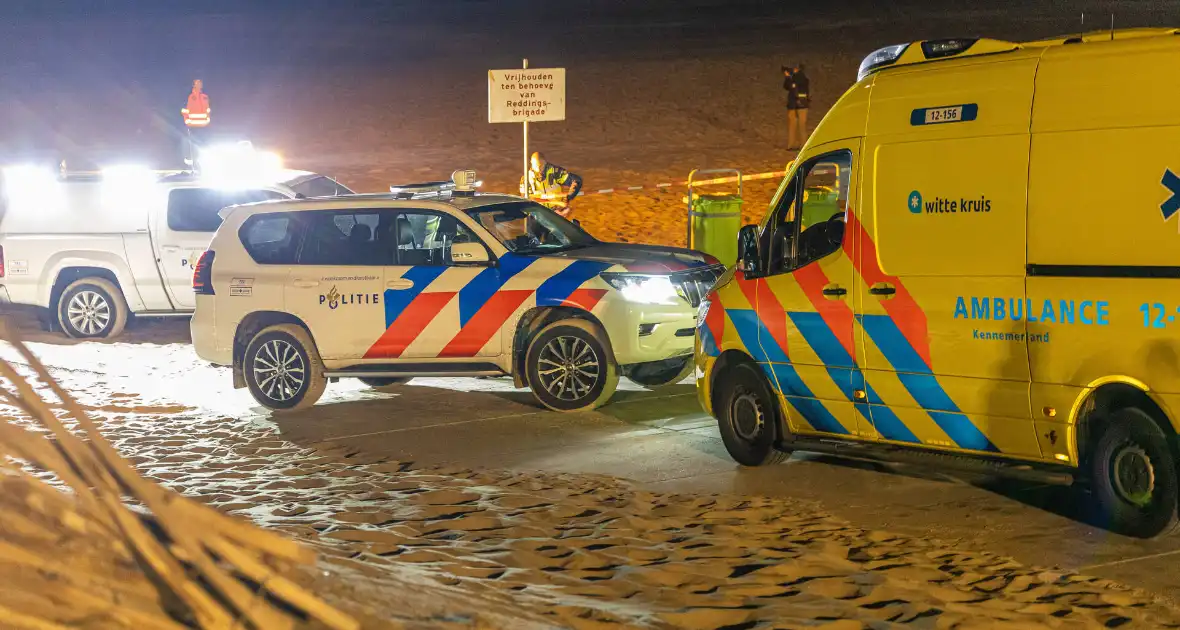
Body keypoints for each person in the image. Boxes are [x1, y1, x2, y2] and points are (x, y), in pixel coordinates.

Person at [520, 151, 583, 218]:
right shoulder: (525, 179)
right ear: (531, 164)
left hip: (556, 211)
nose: (538, 169)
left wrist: (569, 197)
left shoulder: (555, 172)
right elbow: (526, 199)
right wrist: (555, 202)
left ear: (545, 163)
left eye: (541, 166)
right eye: (536, 166)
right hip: (537, 213)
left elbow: (576, 180)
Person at [181, 80, 211, 166]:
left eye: (200, 83)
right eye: (197, 84)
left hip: (204, 125)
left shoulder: (205, 97)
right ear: (193, 85)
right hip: (192, 125)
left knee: (202, 145)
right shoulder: (189, 97)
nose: (199, 85)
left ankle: (201, 163)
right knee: (192, 145)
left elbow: (208, 110)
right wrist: (187, 121)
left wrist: (208, 120)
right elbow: (184, 110)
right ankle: (191, 165)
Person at [783, 64, 810, 150]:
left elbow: (792, 86)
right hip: (798, 104)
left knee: (799, 125)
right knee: (796, 125)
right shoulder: (798, 78)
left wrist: (788, 78)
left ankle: (797, 145)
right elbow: (786, 86)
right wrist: (788, 78)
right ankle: (795, 145)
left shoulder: (800, 78)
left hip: (799, 104)